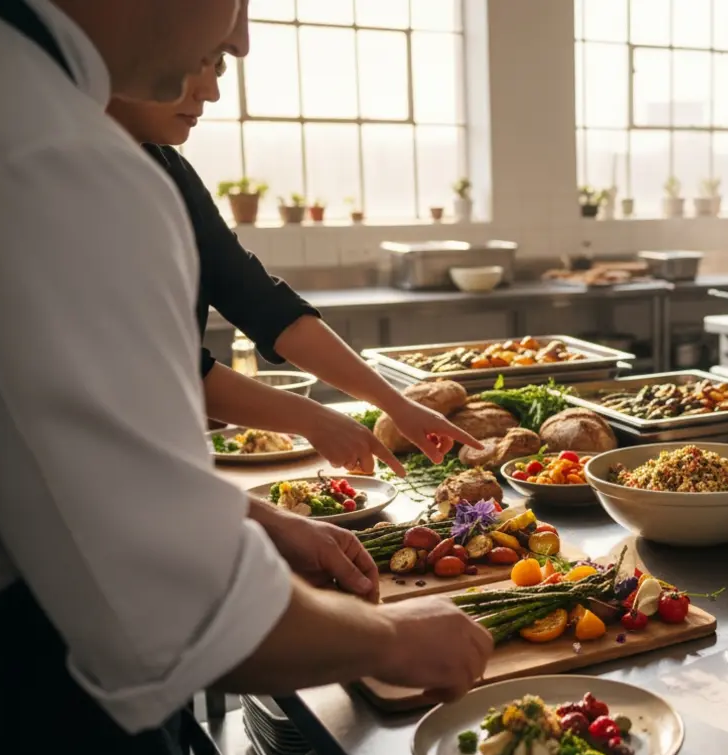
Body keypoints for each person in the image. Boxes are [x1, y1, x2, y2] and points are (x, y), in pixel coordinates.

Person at [0, 2, 492, 755]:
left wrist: (254, 513)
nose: (240, 40)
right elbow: (172, 600)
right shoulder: (52, 156)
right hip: (32, 692)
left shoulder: (35, 110)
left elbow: (53, 448)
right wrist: (395, 639)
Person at [106, 57, 478, 477]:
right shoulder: (75, 184)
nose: (211, 91)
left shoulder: (168, 168)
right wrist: (314, 419)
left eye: (219, 69)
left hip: (160, 457)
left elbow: (263, 303)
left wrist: (396, 404)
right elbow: (163, 366)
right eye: (198, 62)